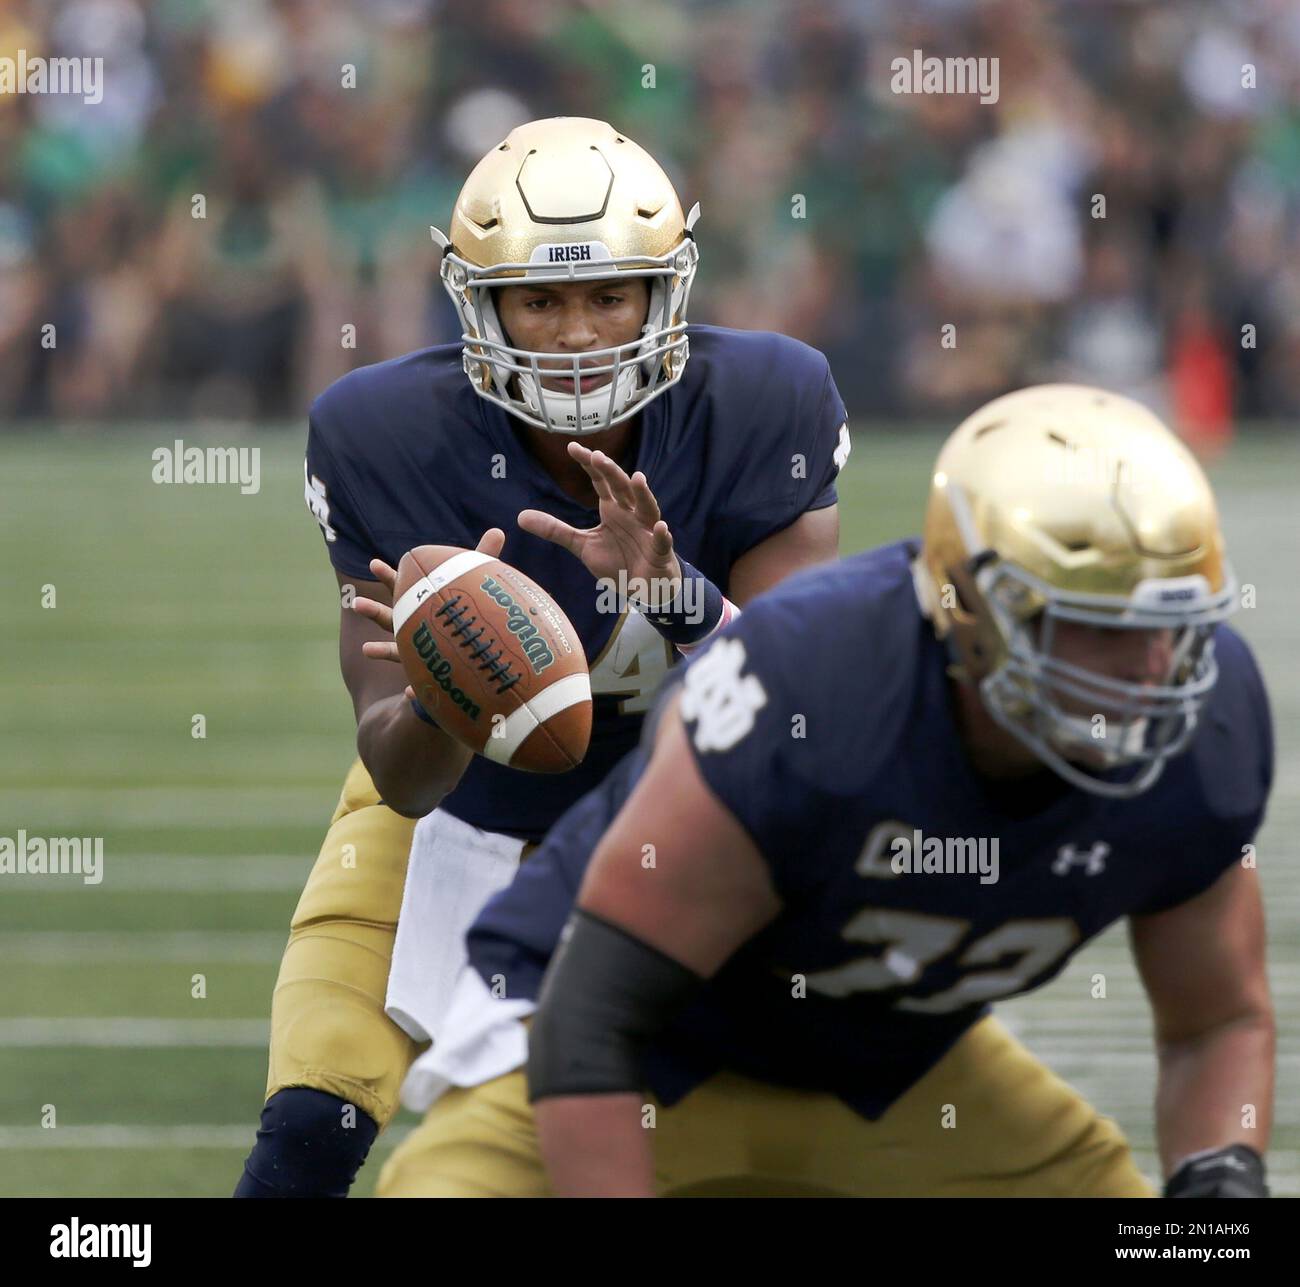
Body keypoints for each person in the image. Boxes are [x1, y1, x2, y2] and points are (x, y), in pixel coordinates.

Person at [377, 384, 1273, 1199]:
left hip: (886, 1065)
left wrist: (1222, 1184)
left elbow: (1216, 1021)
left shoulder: (1204, 725)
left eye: (1171, 626)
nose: (1153, 672)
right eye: (1098, 625)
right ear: (974, 613)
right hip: (638, 1048)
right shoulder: (816, 685)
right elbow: (594, 1016)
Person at [234, 116, 850, 1197]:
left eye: (608, 295)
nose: (574, 334)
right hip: (459, 817)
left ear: (664, 295)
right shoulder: (382, 433)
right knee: (305, 1137)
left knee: (742, 1151)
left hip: (688, 824)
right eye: (541, 300)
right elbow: (398, 773)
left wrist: (671, 594)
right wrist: (450, 684)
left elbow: (794, 729)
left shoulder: (765, 404)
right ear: (482, 302)